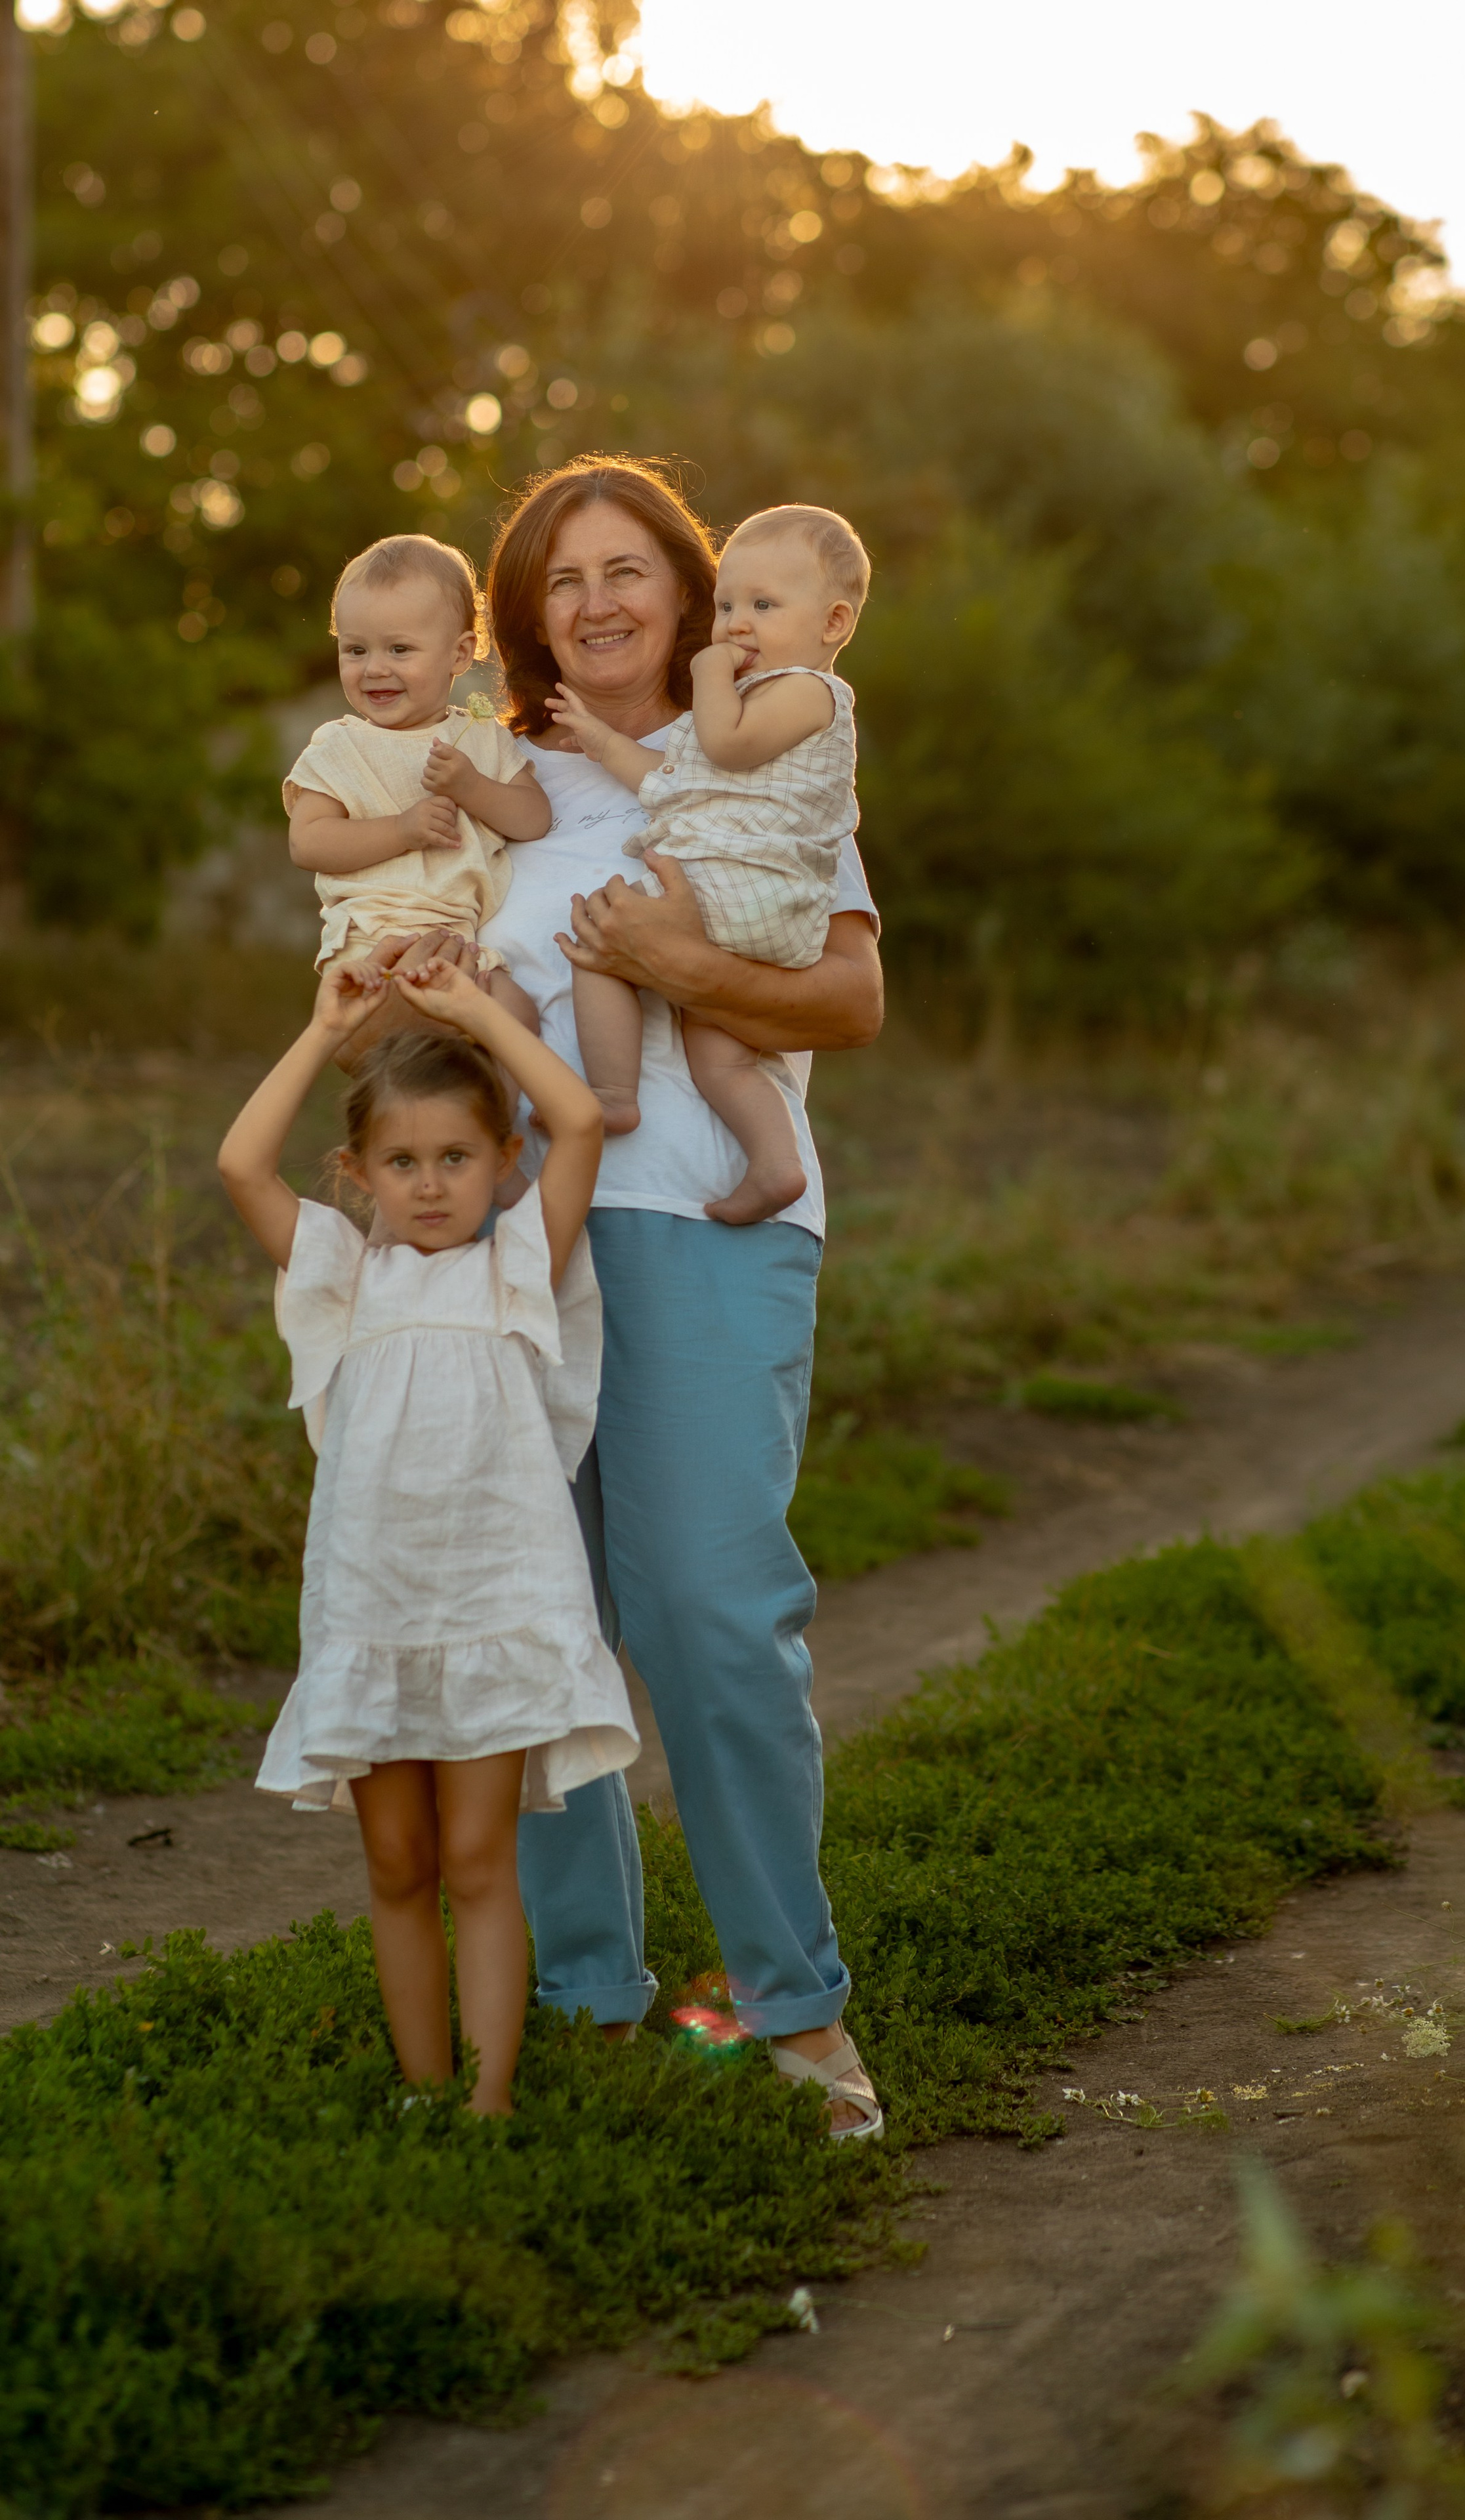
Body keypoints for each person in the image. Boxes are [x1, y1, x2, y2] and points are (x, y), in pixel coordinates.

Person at [476, 455, 886, 2137]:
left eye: (628, 565)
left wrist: (672, 968)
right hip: (514, 1239)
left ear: (691, 589)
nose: (596, 598)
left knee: (712, 1613)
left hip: (708, 1218)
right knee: (538, 1626)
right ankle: (583, 1998)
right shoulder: (491, 779)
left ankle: (792, 2006)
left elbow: (849, 997)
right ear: (530, 613)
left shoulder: (769, 738)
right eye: (562, 575)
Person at [216, 952, 637, 2116]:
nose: (433, 1184)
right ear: (357, 1176)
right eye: (402, 1163)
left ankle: (490, 2104)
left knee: (475, 1863)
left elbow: (578, 1122)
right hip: (373, 1609)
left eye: (458, 1158)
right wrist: (320, 1031)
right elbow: (241, 1163)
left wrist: (466, 1015)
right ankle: (422, 2091)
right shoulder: (343, 1280)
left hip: (494, 1607)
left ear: (504, 1167)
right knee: (396, 1865)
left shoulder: (516, 1268)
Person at [552, 503, 869, 1227]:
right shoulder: (755, 707)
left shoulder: (807, 692)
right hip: (758, 914)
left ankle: (611, 1096)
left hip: (748, 890)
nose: (737, 625)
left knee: (601, 941)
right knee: (720, 1053)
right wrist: (600, 741)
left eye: (763, 605)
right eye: (729, 605)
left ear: (833, 625)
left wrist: (705, 670)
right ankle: (775, 1163)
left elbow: (719, 750)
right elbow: (677, 781)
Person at [285, 533, 550, 1060]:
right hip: (373, 941)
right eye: (355, 650)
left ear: (459, 653)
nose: (374, 668)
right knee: (399, 1060)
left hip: (462, 946)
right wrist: (401, 830)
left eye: (399, 649)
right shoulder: (341, 744)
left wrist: (473, 788)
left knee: (519, 1013)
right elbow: (308, 842)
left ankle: (500, 1124)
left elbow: (534, 819)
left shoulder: (480, 737)